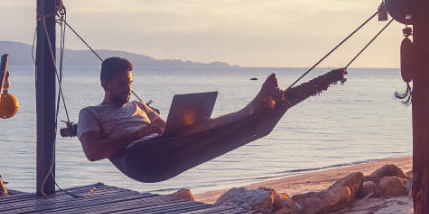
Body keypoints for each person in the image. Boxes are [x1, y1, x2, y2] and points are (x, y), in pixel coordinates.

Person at [77, 57, 281, 163]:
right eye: (122, 84)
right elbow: (93, 153)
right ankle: (250, 110)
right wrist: (139, 133)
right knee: (200, 127)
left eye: (130, 82)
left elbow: (169, 131)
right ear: (106, 85)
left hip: (165, 146)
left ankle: (251, 113)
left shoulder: (139, 106)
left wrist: (169, 126)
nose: (128, 88)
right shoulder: (91, 113)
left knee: (199, 124)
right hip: (141, 157)